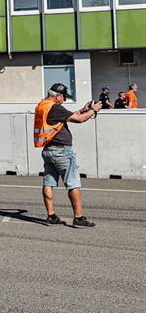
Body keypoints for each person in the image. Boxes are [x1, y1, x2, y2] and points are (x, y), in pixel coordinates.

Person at [34, 83, 100, 228]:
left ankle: (51, 216)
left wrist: (83, 109)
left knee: (48, 182)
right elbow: (80, 120)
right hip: (62, 152)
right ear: (57, 96)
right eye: (63, 97)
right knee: (73, 184)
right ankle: (78, 218)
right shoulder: (55, 107)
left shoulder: (42, 105)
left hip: (48, 150)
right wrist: (93, 111)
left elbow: (69, 116)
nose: (64, 100)